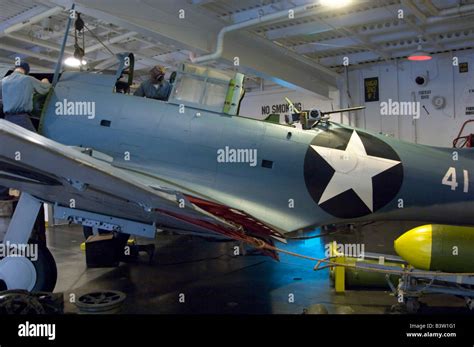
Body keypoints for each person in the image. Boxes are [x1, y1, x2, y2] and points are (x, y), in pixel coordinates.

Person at [0, 62, 50, 199]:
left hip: (7, 120)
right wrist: (45, 81)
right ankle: (37, 183)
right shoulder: (28, 79)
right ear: (26, 71)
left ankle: (5, 189)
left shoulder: (3, 81)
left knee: (7, 154)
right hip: (22, 120)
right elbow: (45, 89)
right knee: (38, 149)